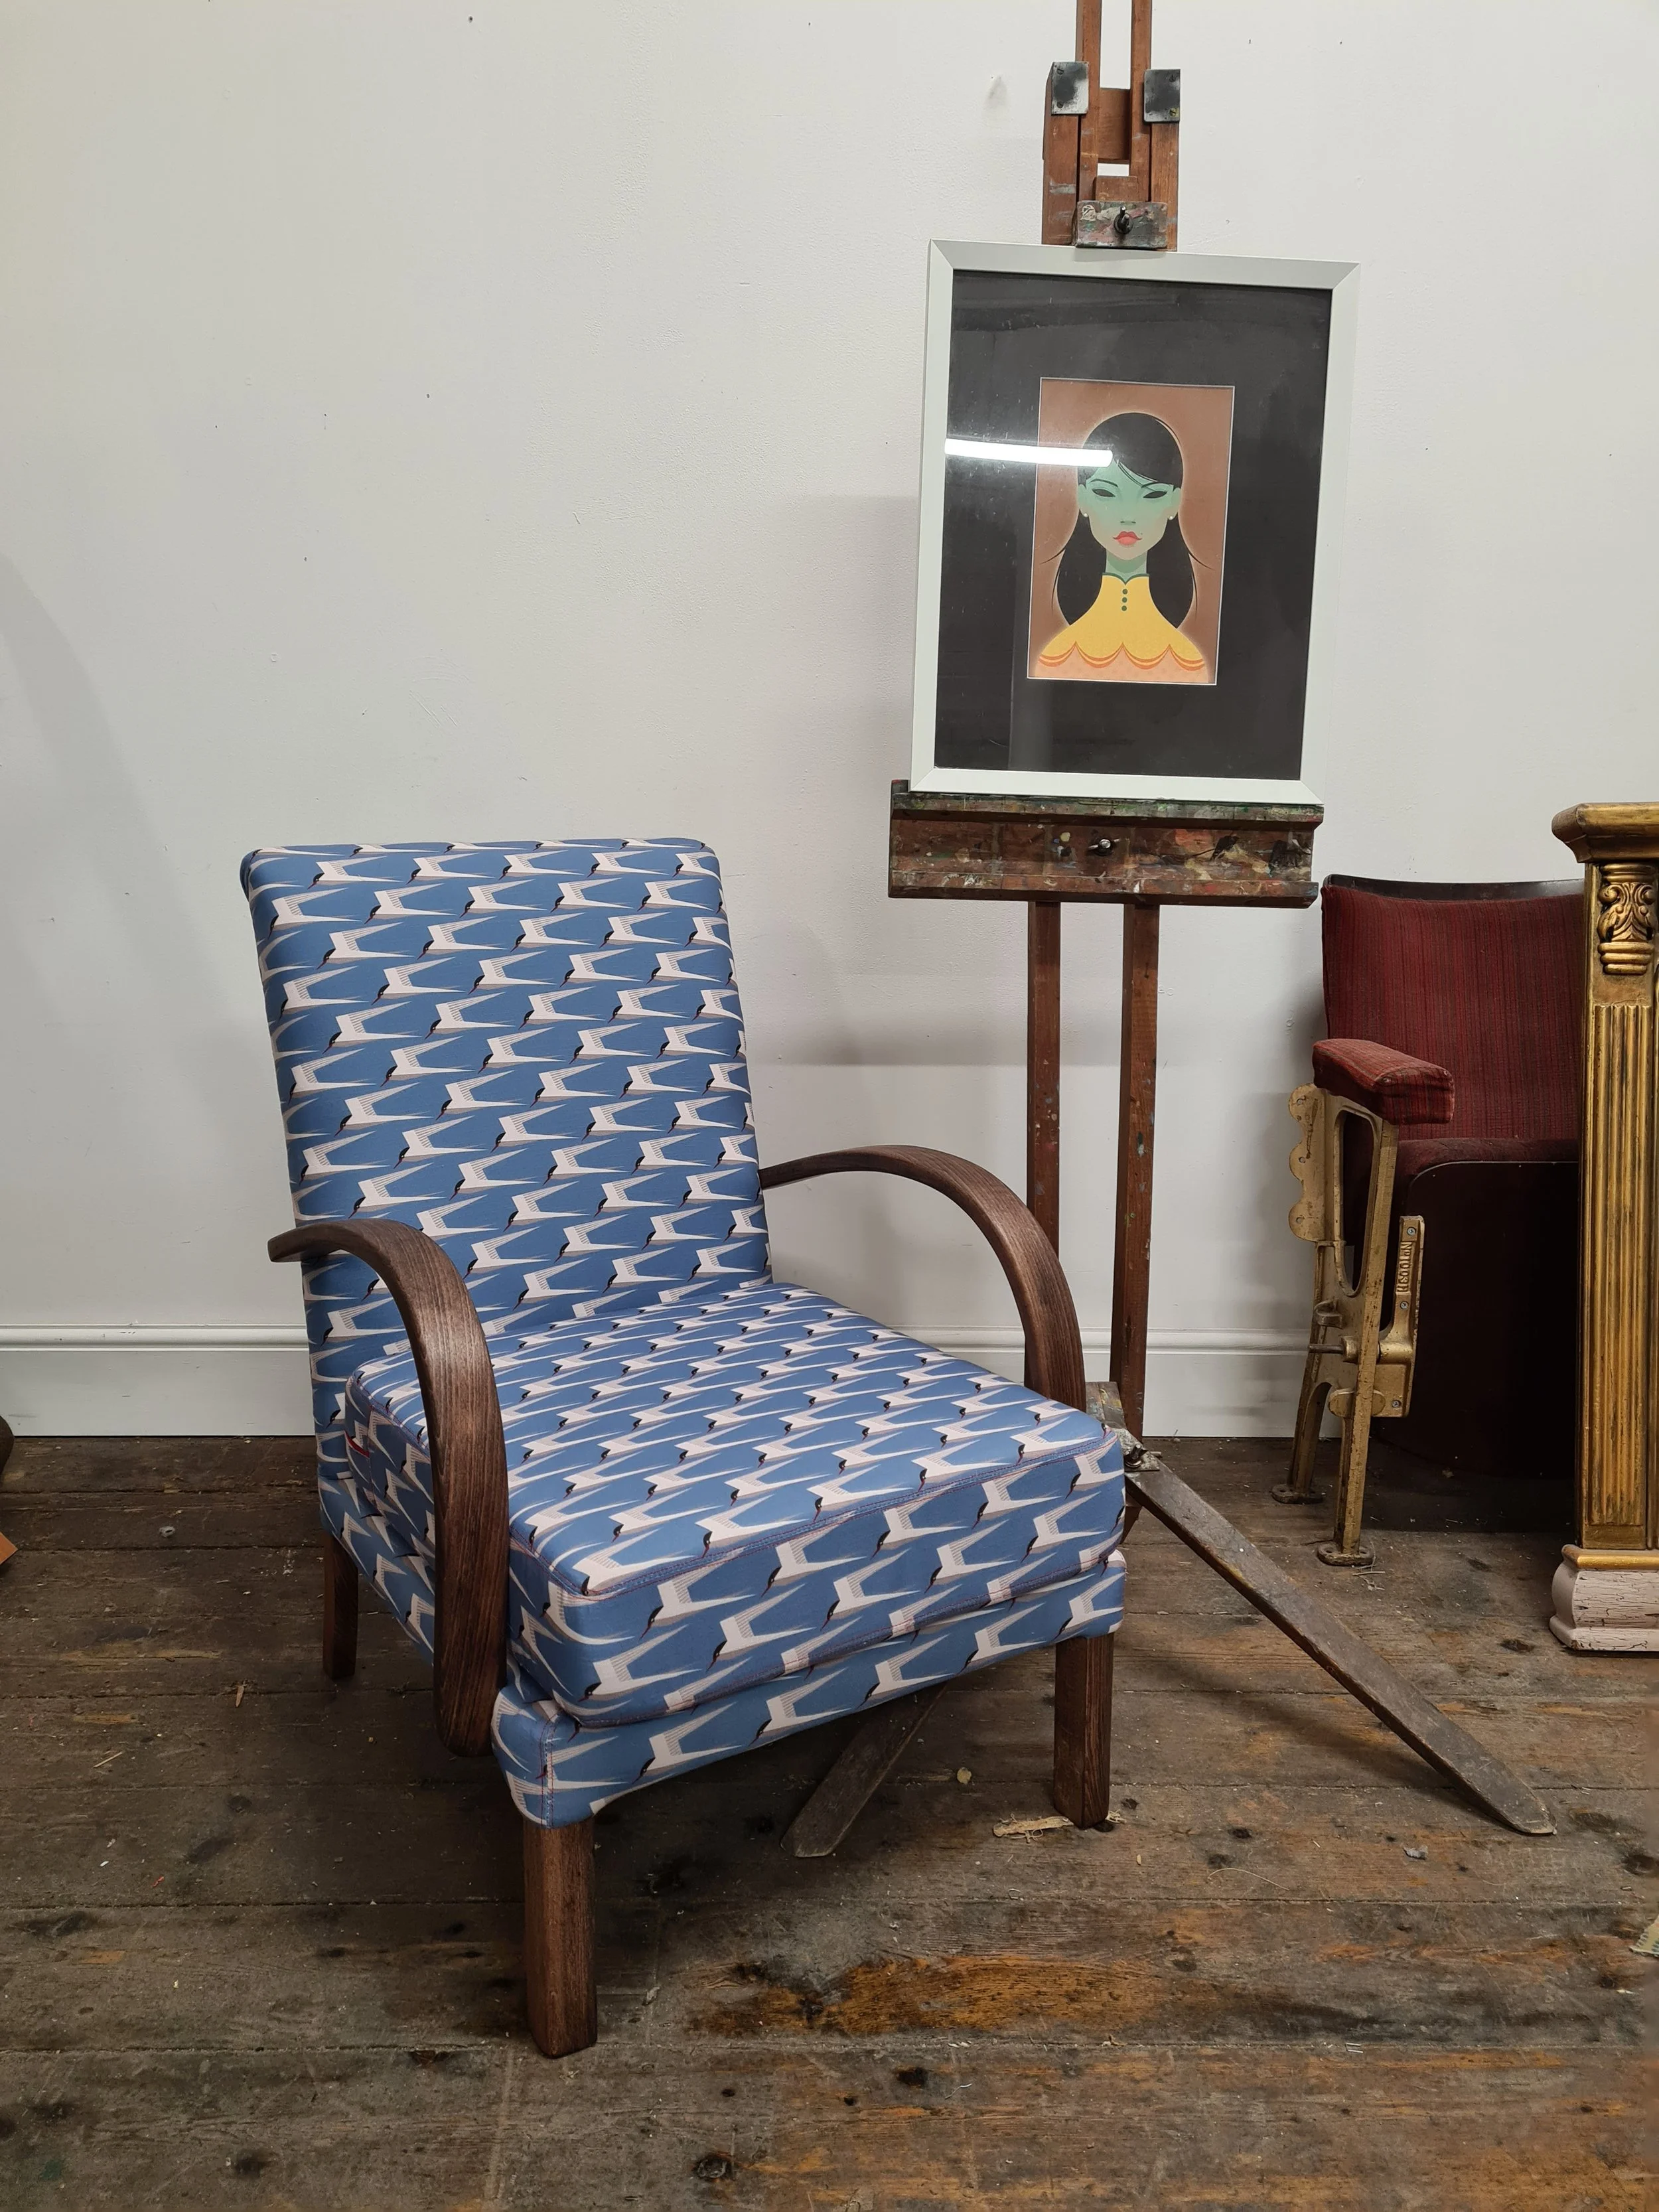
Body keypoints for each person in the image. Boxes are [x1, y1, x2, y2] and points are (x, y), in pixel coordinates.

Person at [1037, 413, 1208, 682]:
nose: (1128, 516)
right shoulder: (1056, 658)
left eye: (1152, 495)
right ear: (1083, 499)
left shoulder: (1190, 663)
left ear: (1174, 503)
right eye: (1106, 493)